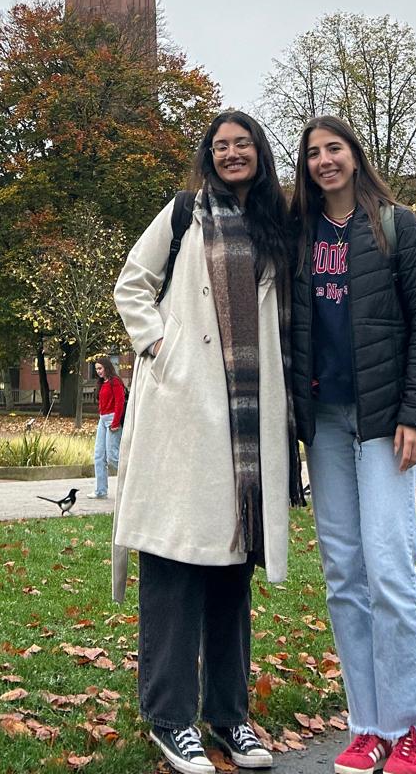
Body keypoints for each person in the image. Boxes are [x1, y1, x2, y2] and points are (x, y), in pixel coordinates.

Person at [113, 111, 300, 774]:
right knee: (173, 559)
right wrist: (159, 348)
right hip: (187, 409)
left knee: (228, 570)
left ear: (259, 153)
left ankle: (229, 716)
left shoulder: (277, 223)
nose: (230, 154)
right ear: (208, 156)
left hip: (249, 421)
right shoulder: (183, 212)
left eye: (241, 144)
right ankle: (169, 717)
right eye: (220, 146)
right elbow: (132, 283)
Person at [290, 117, 416, 774]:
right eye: (314, 153)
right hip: (324, 421)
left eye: (335, 149)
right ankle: (368, 725)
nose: (325, 161)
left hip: (385, 420)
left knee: (389, 569)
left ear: (355, 155)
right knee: (343, 577)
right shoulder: (297, 235)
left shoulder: (394, 225)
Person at [90, 355, 125, 499]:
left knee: (112, 457)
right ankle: (100, 490)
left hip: (112, 420)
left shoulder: (115, 382)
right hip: (102, 419)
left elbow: (120, 402)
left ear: (107, 367)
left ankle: (132, 479)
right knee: (99, 456)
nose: (98, 371)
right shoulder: (102, 383)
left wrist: (116, 423)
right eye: (96, 369)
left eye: (100, 368)